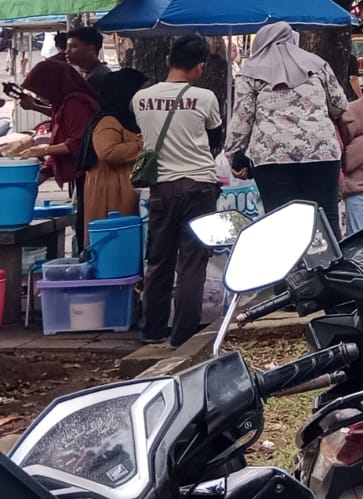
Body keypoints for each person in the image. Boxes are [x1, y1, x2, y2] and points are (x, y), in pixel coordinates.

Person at [133, 33, 223, 346]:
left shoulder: (140, 98)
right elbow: (215, 139)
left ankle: (153, 330)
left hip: (161, 188)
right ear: (199, 67)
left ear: (169, 60)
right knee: (192, 262)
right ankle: (183, 335)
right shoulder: (206, 98)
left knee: (158, 261)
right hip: (199, 185)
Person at [227, 21, 347, 229]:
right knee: (325, 217)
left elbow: (242, 119)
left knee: (280, 221)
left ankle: (291, 262)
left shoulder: (249, 71)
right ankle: (331, 261)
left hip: (272, 157)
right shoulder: (317, 64)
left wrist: (232, 157)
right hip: (322, 153)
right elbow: (338, 105)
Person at [18, 57, 99, 197]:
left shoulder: (76, 104)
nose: (40, 95)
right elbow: (60, 141)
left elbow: (77, 143)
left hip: (91, 173)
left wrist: (42, 150)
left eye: (41, 90)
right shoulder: (62, 104)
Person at [82, 68, 145, 224]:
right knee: (115, 236)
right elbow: (107, 152)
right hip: (110, 190)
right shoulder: (108, 120)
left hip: (125, 186)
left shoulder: (129, 117)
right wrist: (142, 145)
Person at [338, 58, 363, 236]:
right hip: (358, 194)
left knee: (358, 234)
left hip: (359, 193)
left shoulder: (362, 143)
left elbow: (345, 162)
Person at [64, 26, 111, 91]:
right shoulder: (82, 72)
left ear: (91, 49)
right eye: (67, 47)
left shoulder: (98, 77)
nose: (66, 51)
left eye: (73, 46)